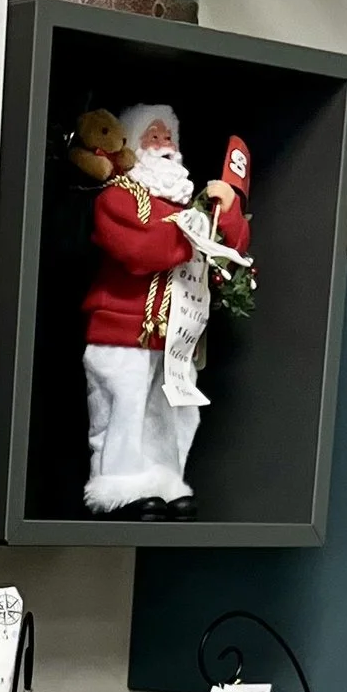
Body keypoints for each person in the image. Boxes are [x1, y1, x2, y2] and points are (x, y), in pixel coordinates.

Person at [82, 102, 249, 520]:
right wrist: (194, 234)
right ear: (133, 144)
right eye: (151, 136)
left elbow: (228, 252)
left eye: (167, 136)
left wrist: (226, 210)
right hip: (124, 329)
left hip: (177, 334)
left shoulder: (186, 205)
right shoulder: (120, 198)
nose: (162, 144)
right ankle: (119, 486)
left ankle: (164, 481)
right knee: (124, 407)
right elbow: (141, 250)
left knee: (173, 414)